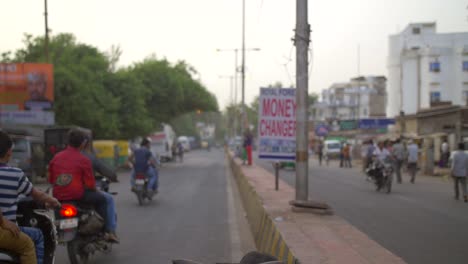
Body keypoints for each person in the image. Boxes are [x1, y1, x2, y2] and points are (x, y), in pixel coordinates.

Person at [48, 129, 119, 243]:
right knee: (106, 199)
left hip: (59, 197)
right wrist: (96, 190)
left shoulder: (56, 157)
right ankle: (109, 231)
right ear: (83, 143)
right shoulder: (84, 159)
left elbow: (51, 179)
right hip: (79, 196)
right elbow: (90, 184)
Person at [0, 130, 61, 264]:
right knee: (36, 236)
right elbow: (35, 193)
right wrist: (52, 200)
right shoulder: (15, 174)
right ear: (9, 152)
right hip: (4, 232)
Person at [81, 141, 118, 238]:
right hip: (82, 192)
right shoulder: (88, 157)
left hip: (62, 194)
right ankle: (110, 231)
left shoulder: (61, 156)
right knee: (108, 199)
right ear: (85, 144)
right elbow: (105, 170)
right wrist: (113, 176)